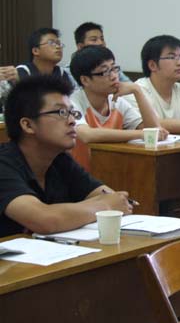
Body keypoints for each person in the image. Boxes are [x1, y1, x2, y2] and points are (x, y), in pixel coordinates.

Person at [0, 75, 132, 238]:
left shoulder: (59, 159)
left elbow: (115, 199)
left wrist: (105, 203)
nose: (72, 121)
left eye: (72, 113)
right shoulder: (4, 164)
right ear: (28, 125)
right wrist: (104, 206)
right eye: (61, 112)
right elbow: (44, 220)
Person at [69, 45, 167, 170]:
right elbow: (87, 135)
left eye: (114, 69)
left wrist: (137, 91)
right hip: (79, 176)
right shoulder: (72, 102)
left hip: (113, 173)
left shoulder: (117, 102)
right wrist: (141, 134)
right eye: (105, 72)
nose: (114, 76)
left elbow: (154, 131)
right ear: (85, 80)